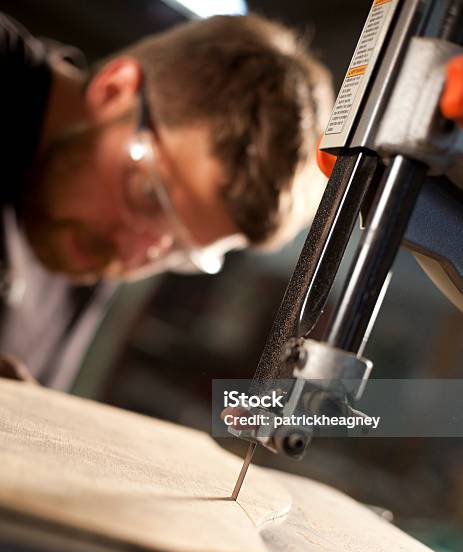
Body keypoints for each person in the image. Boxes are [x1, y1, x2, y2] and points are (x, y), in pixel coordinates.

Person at [0, 12, 333, 388]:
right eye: (148, 197)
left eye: (176, 249)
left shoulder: (98, 237)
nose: (129, 257)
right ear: (114, 91)